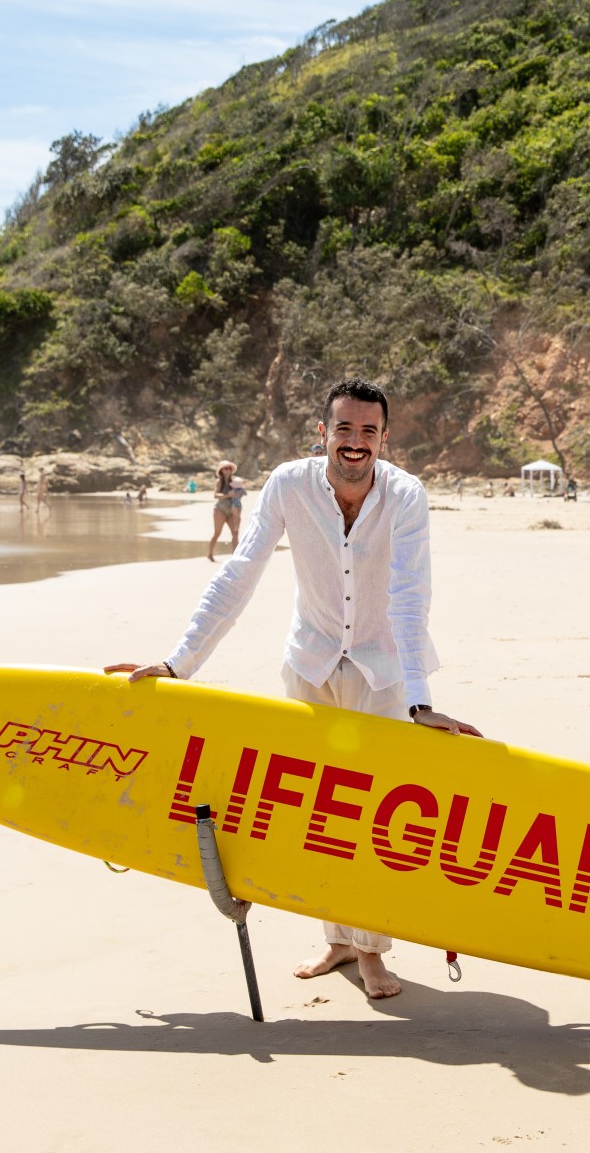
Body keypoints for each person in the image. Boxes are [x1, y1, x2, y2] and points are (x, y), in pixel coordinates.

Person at [104, 377, 482, 1001]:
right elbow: (241, 572)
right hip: (309, 666)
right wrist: (179, 663)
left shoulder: (406, 496)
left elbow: (411, 598)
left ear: (385, 438)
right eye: (344, 429)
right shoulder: (288, 484)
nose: (355, 443)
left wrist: (419, 702)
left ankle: (372, 951)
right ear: (323, 433)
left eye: (368, 431)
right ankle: (339, 939)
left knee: (374, 820)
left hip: (384, 674)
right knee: (319, 815)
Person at [208, 460, 245, 562]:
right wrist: (228, 495)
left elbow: (241, 493)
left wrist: (238, 494)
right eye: (225, 468)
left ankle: (235, 556)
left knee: (235, 532)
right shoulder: (219, 482)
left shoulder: (235, 481)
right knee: (217, 533)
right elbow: (215, 495)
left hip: (232, 510)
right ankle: (210, 554)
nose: (228, 470)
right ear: (221, 470)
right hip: (220, 509)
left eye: (229, 468)